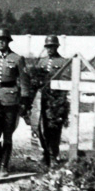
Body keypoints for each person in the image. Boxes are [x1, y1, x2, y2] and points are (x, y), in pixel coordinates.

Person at [0, 28, 30, 176]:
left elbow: (24, 81)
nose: (1, 42)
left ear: (8, 41)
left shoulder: (17, 59)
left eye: (4, 40)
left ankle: (4, 166)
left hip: (10, 100)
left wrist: (24, 101)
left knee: (7, 134)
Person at [35, 35, 69, 168]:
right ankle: (45, 153)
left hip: (56, 101)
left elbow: (66, 80)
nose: (50, 49)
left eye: (52, 47)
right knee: (41, 127)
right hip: (42, 99)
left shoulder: (62, 62)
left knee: (54, 129)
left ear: (56, 47)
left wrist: (60, 100)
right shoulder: (41, 62)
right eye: (48, 47)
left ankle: (54, 154)